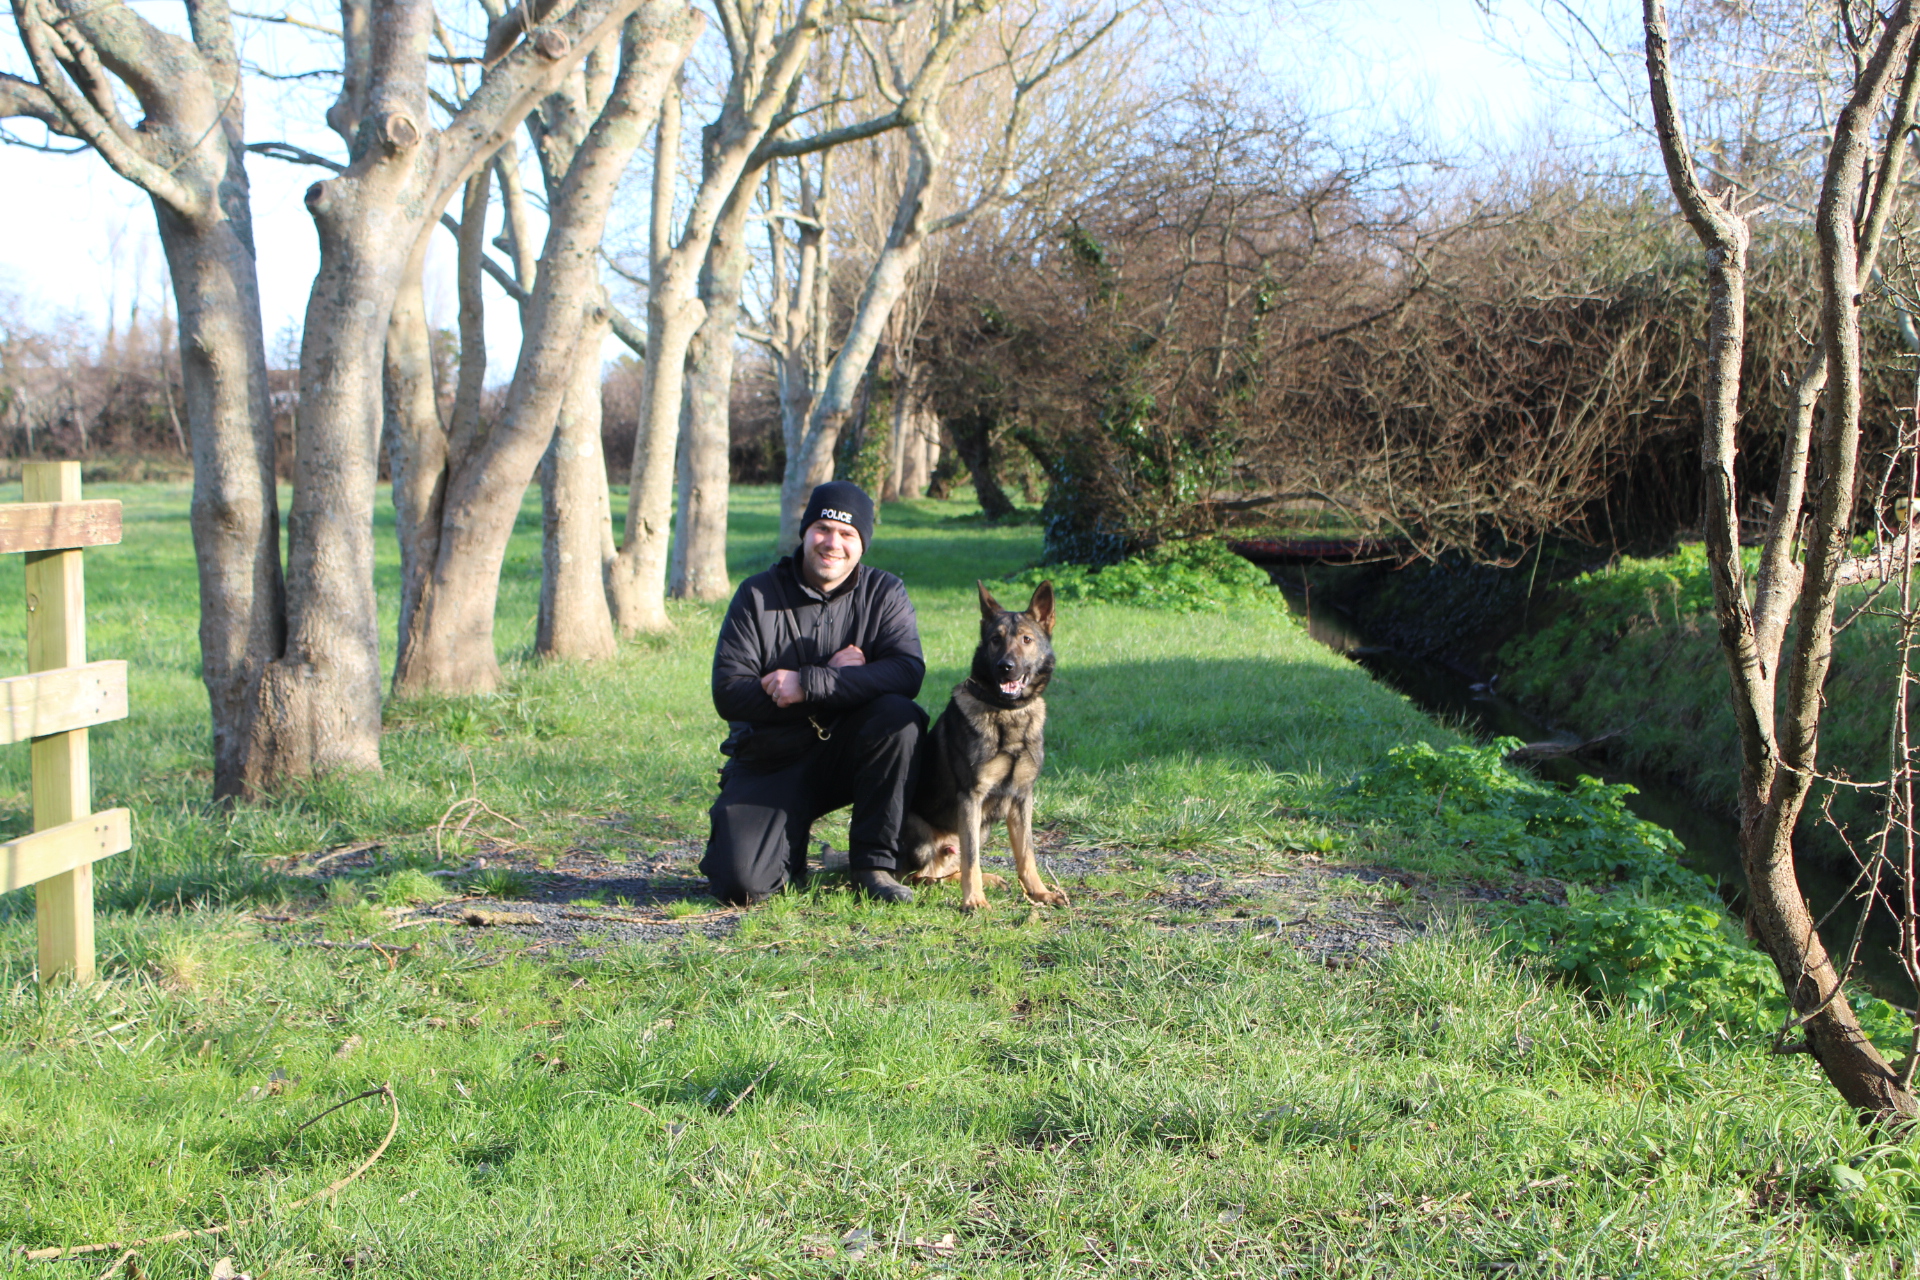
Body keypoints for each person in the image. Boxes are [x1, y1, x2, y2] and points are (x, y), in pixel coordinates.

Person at [702, 481, 927, 905]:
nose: (832, 543)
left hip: (847, 755)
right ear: (804, 533)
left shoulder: (885, 593)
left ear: (862, 545)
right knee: (741, 887)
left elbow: (906, 672)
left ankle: (873, 864)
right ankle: (786, 845)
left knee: (899, 718)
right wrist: (837, 678)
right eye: (823, 529)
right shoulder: (756, 595)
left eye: (847, 534)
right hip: (770, 759)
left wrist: (808, 684)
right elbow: (729, 693)